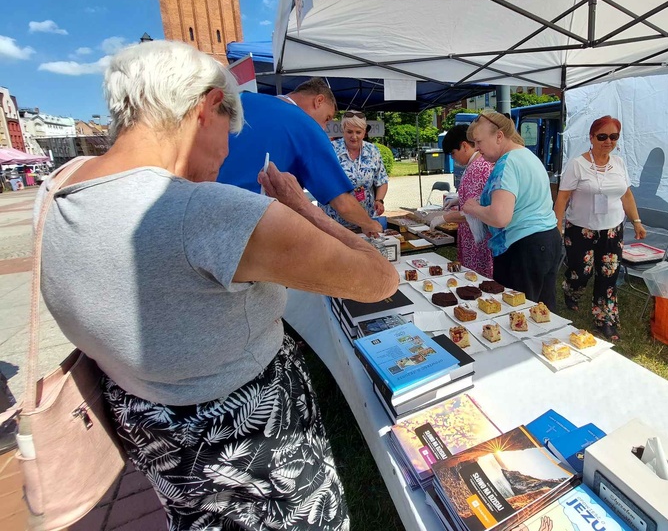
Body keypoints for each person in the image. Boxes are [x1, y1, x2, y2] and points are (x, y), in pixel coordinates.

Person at [37, 41, 398, 530]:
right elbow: (379, 279)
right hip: (251, 438)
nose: (227, 153)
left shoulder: (57, 187)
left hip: (149, 427)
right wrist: (304, 209)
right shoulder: (209, 209)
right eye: (231, 131)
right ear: (208, 107)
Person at [217, 79, 383, 236]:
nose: (324, 128)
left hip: (208, 206)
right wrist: (369, 223)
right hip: (251, 227)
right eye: (327, 119)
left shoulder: (242, 99)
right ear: (319, 101)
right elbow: (342, 203)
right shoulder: (307, 126)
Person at [552, 115, 646, 342]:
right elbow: (563, 198)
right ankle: (571, 289)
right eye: (602, 136)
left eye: (613, 137)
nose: (608, 141)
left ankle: (605, 318)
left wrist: (636, 221)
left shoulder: (619, 164)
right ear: (592, 137)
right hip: (581, 229)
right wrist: (557, 226)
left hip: (612, 230)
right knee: (581, 272)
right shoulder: (578, 165)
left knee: (608, 275)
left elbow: (626, 194)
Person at [462, 110, 562, 310]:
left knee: (517, 312)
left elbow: (500, 217)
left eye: (479, 142)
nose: (477, 148)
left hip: (522, 247)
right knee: (542, 311)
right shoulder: (527, 156)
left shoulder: (506, 163)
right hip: (548, 240)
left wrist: (473, 208)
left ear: (499, 136)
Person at [429, 124, 494, 277]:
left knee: (477, 281)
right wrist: (458, 199)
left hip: (478, 241)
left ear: (464, 146)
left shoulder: (478, 167)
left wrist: (444, 218)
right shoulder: (475, 165)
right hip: (473, 237)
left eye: (453, 153)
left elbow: (475, 210)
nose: (453, 159)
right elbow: (480, 196)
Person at [321, 111, 389, 229]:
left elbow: (381, 180)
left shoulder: (373, 151)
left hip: (365, 221)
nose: (354, 136)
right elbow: (324, 184)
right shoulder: (331, 150)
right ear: (343, 130)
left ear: (364, 132)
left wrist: (379, 200)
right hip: (335, 221)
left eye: (358, 132)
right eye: (349, 132)